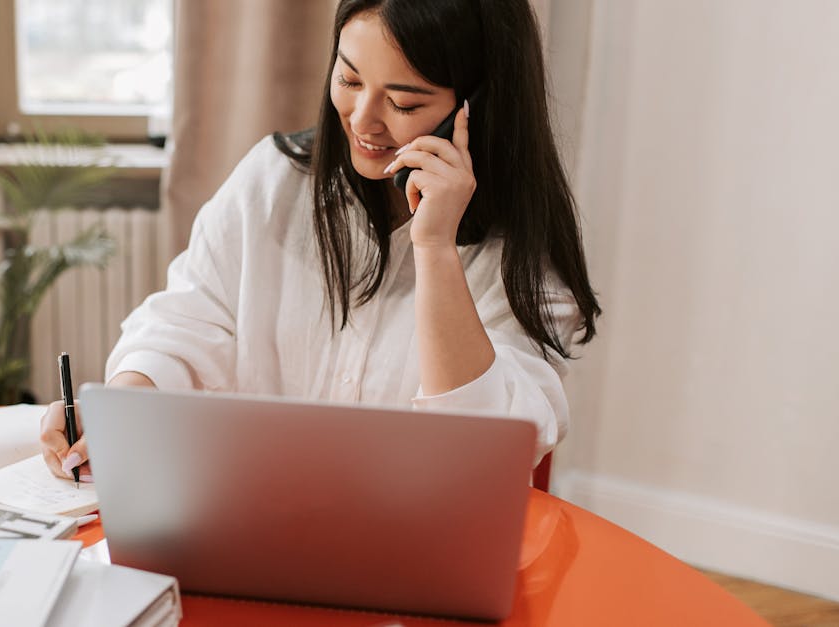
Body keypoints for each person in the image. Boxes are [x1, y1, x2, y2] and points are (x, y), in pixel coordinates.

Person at [41, 0, 600, 483]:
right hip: (250, 517)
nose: (363, 120)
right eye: (350, 79)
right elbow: (186, 320)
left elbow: (488, 449)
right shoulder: (274, 180)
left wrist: (435, 251)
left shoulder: (525, 254)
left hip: (415, 546)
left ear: (476, 108)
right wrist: (126, 405)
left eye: (404, 103)